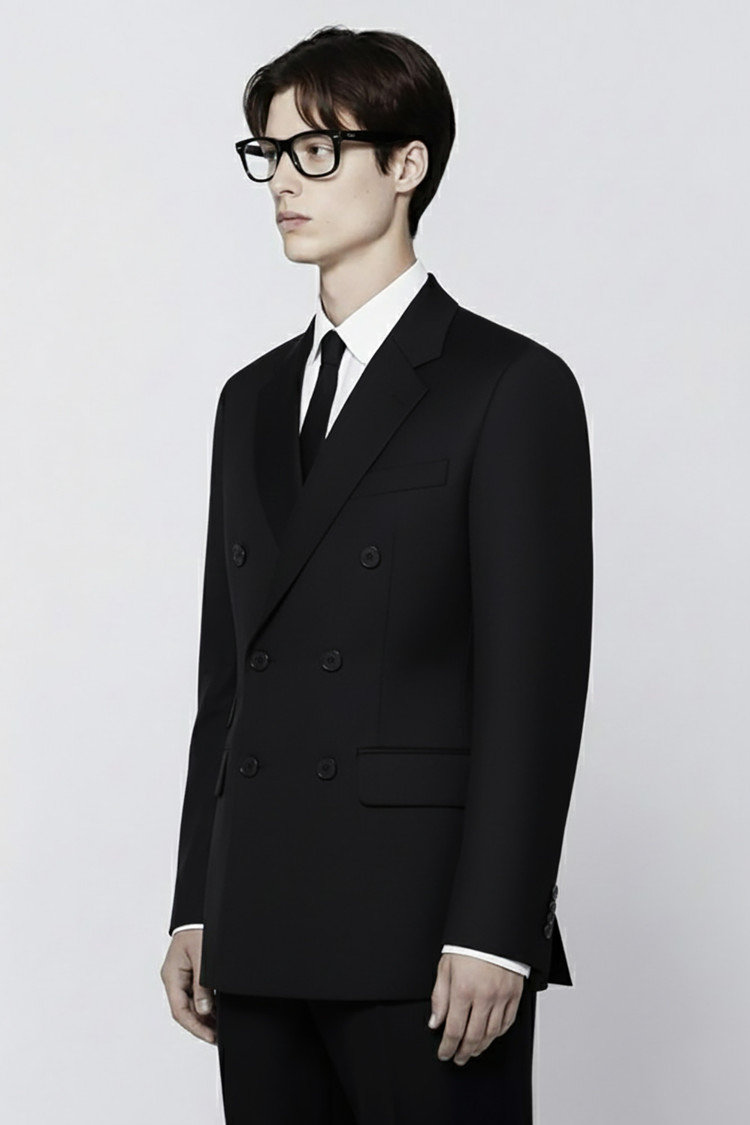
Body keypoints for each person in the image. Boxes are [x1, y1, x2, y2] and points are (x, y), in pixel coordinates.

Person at [159, 24, 593, 1125]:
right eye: (269, 153)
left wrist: (496, 927)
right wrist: (196, 903)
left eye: (316, 151)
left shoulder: (509, 385)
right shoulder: (249, 400)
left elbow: (534, 690)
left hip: (423, 931)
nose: (282, 182)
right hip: (259, 920)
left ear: (408, 164)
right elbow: (229, 681)